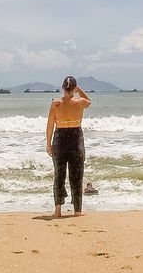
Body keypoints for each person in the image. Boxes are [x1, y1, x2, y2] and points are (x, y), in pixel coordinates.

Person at [46, 75, 91, 217]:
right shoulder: (80, 102)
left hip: (59, 138)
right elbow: (89, 101)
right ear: (74, 88)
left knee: (59, 175)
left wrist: (48, 144)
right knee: (76, 175)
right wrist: (79, 90)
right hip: (75, 137)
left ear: (62, 87)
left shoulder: (55, 103)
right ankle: (77, 211)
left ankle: (57, 211)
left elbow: (49, 126)